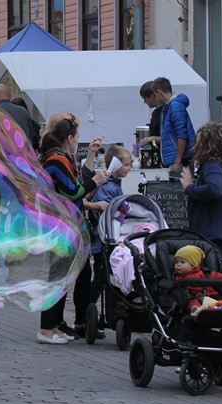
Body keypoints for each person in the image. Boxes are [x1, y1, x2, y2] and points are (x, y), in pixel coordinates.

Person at [38, 113, 107, 344]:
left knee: (67, 275)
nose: (79, 141)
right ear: (69, 138)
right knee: (57, 276)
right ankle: (46, 328)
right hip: (59, 225)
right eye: (78, 137)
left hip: (65, 224)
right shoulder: (57, 160)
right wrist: (95, 181)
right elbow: (73, 191)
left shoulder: (60, 157)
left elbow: (74, 186)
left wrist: (90, 161)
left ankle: (55, 326)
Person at [180, 121, 222, 272]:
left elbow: (215, 189)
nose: (193, 148)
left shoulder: (212, 164)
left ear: (208, 145)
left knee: (218, 285)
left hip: (221, 239)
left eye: (197, 143)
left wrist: (189, 187)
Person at [89, 146, 133, 304]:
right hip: (103, 242)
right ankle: (88, 309)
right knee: (101, 277)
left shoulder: (113, 185)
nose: (130, 168)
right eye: (127, 164)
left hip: (107, 240)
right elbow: (107, 216)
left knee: (105, 277)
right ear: (117, 165)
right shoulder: (108, 188)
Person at [173, 245, 222, 315]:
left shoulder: (205, 274)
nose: (178, 265)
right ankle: (197, 310)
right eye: (176, 262)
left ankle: (221, 307)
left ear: (193, 264)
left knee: (221, 300)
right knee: (192, 303)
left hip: (211, 296)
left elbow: (218, 276)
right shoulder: (178, 277)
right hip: (193, 297)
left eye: (182, 262)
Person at [152, 77, 195, 174]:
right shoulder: (168, 107)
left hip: (178, 160)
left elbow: (182, 135)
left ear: (159, 92)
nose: (155, 99)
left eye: (155, 95)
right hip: (173, 158)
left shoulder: (174, 106)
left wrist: (177, 161)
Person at [138, 81, 162, 149]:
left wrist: (152, 138)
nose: (144, 102)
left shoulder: (165, 112)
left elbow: (169, 137)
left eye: (145, 98)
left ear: (152, 96)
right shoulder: (154, 113)